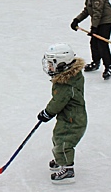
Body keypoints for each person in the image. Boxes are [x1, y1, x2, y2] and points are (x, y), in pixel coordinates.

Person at [38, 43, 87, 185]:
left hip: (73, 119)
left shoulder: (66, 84)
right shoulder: (71, 76)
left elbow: (58, 101)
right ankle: (61, 160)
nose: (49, 67)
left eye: (51, 64)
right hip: (68, 116)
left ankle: (68, 169)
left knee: (64, 142)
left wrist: (47, 113)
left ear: (62, 64)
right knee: (58, 137)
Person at [70, 0, 111, 80]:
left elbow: (97, 12)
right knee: (94, 42)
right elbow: (87, 10)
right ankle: (96, 62)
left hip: (105, 21)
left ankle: (108, 67)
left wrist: (94, 27)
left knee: (102, 44)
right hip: (98, 21)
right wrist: (77, 20)